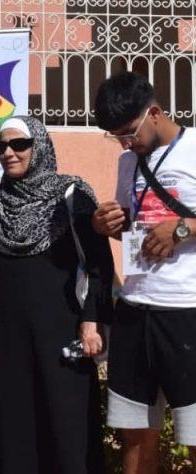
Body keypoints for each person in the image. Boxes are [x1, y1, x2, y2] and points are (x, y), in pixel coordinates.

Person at [0, 116, 113, 473]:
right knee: (17, 427)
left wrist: (91, 321)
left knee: (67, 424)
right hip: (10, 338)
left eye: (19, 144)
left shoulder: (71, 195)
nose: (8, 153)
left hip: (62, 333)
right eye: (0, 146)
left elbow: (98, 263)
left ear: (39, 146)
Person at [92, 72, 196, 474]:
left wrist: (181, 229)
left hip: (186, 309)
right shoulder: (128, 162)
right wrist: (108, 224)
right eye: (116, 136)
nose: (124, 143)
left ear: (154, 113)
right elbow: (132, 227)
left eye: (128, 133)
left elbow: (177, 228)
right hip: (134, 310)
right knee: (135, 437)